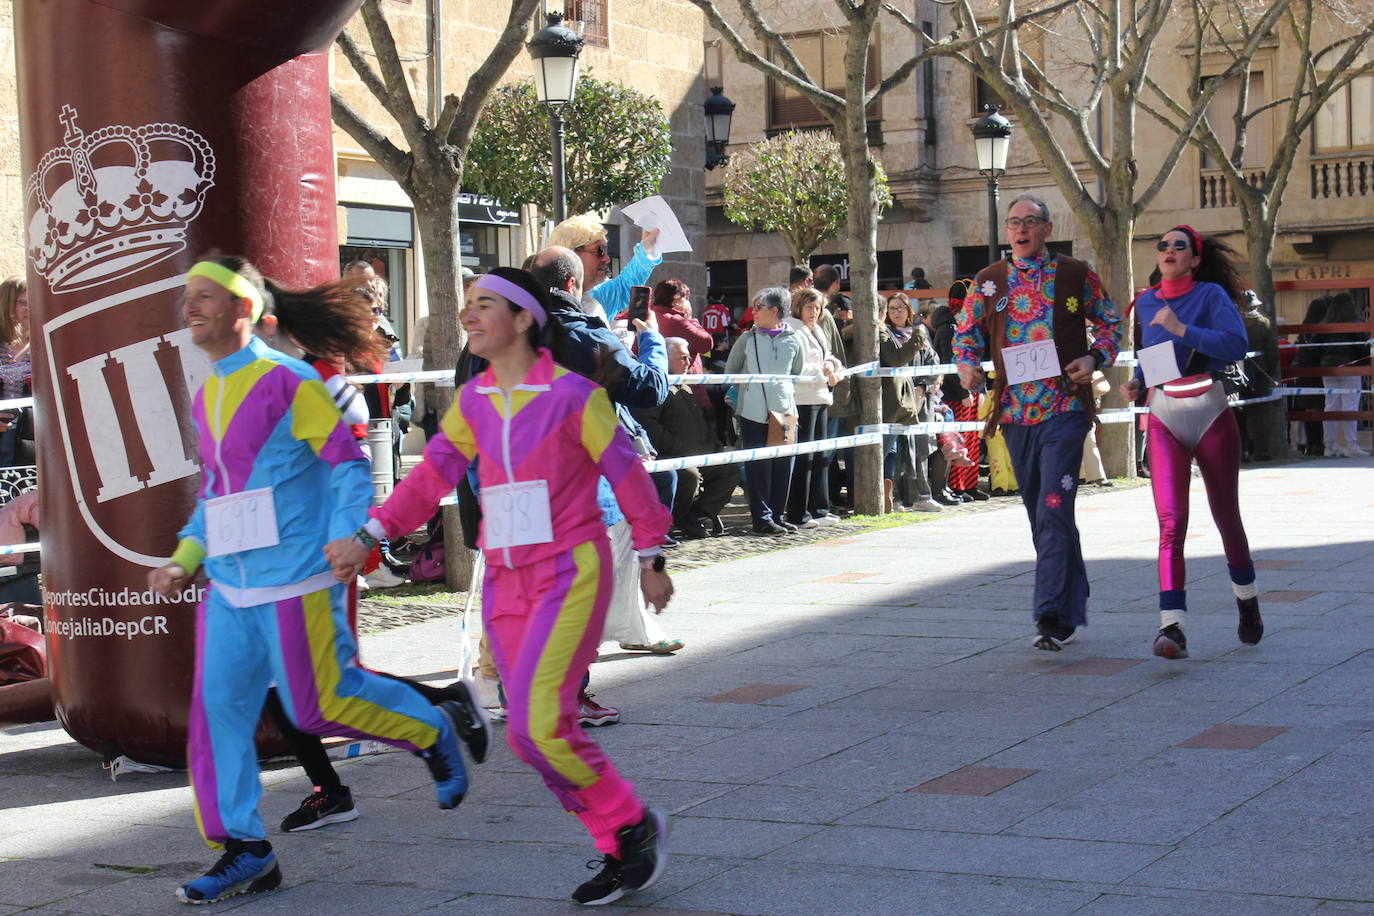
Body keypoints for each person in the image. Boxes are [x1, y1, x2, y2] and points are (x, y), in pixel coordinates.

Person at [327, 267, 673, 907]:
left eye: (484, 304)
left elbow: (628, 476)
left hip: (571, 571)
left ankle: (630, 825)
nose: (468, 315)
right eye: (466, 304)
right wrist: (370, 533)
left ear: (522, 320)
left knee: (541, 724)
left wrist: (651, 555)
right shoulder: (473, 402)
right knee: (525, 734)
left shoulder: (574, 397)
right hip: (504, 579)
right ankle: (620, 837)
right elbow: (428, 480)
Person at [149, 257, 481, 905]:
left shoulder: (290, 383)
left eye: (206, 297)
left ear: (245, 310)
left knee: (316, 706)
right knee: (217, 716)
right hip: (230, 588)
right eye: (187, 297)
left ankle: (432, 729)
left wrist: (349, 535)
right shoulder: (206, 394)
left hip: (299, 577)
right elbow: (219, 494)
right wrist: (186, 558)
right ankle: (246, 850)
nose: (191, 307)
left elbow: (347, 467)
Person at [955, 194, 1121, 651]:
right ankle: (1073, 594)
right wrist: (966, 365)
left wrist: (1093, 356)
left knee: (1053, 505)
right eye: (1013, 223)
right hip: (1014, 415)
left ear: (1048, 228)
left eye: (1030, 222)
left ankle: (1052, 614)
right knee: (1041, 513)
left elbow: (1110, 324)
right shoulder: (989, 282)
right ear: (1007, 232)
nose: (1021, 229)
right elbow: (965, 334)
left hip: (1065, 410)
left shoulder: (1073, 273)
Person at [1121, 226, 1264, 659]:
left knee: (1226, 517)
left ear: (1195, 259)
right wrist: (1139, 380)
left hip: (1211, 411)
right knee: (1170, 524)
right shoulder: (1146, 302)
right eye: (1162, 245)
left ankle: (1247, 603)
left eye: (1178, 246)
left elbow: (1236, 345)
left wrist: (1183, 327)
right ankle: (1172, 627)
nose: (1167, 250)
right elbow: (1158, 356)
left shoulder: (1210, 297)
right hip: (1164, 414)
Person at [633, 337, 739, 541]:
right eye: (683, 357)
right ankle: (678, 516)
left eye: (689, 357)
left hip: (699, 453)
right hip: (672, 455)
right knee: (689, 477)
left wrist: (713, 446)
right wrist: (678, 448)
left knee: (730, 471)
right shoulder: (657, 388)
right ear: (666, 357)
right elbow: (650, 427)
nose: (688, 362)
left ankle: (694, 514)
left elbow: (700, 422)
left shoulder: (687, 385)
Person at [725, 287, 805, 535]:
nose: (753, 312)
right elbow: (732, 368)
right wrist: (746, 391)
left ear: (774, 310)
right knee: (758, 467)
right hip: (753, 412)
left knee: (783, 465)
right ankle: (762, 518)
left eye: (758, 307)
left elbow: (797, 372)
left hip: (784, 411)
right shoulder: (747, 338)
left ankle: (778, 516)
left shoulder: (794, 338)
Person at [783, 288, 842, 527]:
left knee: (821, 455)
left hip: (821, 396)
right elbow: (795, 367)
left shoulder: (816, 329)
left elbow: (828, 355)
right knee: (804, 457)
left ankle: (819, 508)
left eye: (818, 308)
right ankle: (799, 513)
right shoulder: (792, 329)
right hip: (803, 400)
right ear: (799, 307)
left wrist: (831, 365)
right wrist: (822, 370)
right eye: (809, 307)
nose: (814, 312)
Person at [879, 293, 942, 513]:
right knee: (896, 449)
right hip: (897, 399)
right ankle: (895, 498)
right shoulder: (887, 334)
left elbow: (933, 362)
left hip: (921, 397)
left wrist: (923, 387)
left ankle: (922, 496)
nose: (896, 312)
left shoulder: (919, 333)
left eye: (901, 308)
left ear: (909, 310)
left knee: (921, 447)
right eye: (892, 308)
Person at [547, 212, 662, 326]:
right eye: (600, 251)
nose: (607, 259)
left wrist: (647, 250)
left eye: (606, 250)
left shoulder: (599, 296)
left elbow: (624, 285)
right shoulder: (539, 304)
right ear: (573, 254)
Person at [1316, 292, 1369, 457]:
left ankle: (1329, 446)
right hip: (1350, 368)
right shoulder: (1355, 323)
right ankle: (1351, 445)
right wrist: (1364, 364)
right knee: (1351, 405)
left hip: (1328, 368)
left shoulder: (1324, 323)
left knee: (1330, 406)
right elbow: (1364, 345)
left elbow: (1315, 344)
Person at [0, 278, 34, 468]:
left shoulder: (43, 346)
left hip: (30, 436)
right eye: (22, 302)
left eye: (33, 302)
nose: (29, 309)